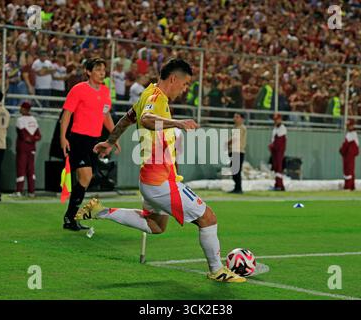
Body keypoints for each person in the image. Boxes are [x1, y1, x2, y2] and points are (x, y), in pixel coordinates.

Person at [77, 58, 246, 283]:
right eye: (184, 84)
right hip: (161, 182)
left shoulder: (148, 93)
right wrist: (177, 123)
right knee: (208, 218)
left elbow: (128, 119)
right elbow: (145, 120)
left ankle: (100, 211)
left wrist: (110, 141)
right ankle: (217, 270)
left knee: (155, 225)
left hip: (150, 179)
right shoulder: (156, 98)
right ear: (174, 79)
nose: (185, 90)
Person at [60, 57, 121, 231]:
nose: (102, 73)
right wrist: (63, 138)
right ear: (88, 72)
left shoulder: (104, 91)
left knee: (86, 180)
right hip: (78, 138)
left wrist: (114, 137)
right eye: (98, 69)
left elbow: (105, 116)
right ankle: (70, 218)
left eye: (104, 69)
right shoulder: (78, 89)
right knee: (85, 177)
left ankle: (70, 218)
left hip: (94, 141)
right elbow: (67, 115)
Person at [12, 102, 41, 197]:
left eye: (21, 107)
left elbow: (24, 136)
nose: (20, 109)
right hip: (32, 148)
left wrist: (30, 138)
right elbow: (38, 136)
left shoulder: (20, 120)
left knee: (21, 169)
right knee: (30, 170)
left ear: (24, 109)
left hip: (22, 148)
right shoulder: (34, 120)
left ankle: (19, 191)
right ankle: (31, 192)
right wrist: (33, 139)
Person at [227, 112, 247, 194]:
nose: (235, 118)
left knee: (236, 170)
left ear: (242, 119)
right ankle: (236, 187)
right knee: (234, 170)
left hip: (238, 151)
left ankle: (238, 188)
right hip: (233, 150)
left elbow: (235, 138)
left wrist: (227, 143)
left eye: (237, 117)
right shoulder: (235, 127)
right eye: (234, 116)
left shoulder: (241, 128)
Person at [339, 119, 360, 190]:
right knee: (350, 170)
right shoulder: (352, 134)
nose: (348, 127)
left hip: (349, 155)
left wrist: (341, 151)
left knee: (348, 170)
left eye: (349, 126)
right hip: (348, 155)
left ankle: (348, 186)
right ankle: (351, 186)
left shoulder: (352, 134)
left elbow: (345, 145)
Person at [269, 113, 286, 191]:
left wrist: (273, 146)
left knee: (279, 167)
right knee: (276, 167)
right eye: (274, 119)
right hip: (275, 151)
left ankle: (279, 185)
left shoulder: (282, 128)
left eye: (277, 119)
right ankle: (278, 184)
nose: (275, 121)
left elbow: (280, 141)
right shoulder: (275, 128)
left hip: (279, 151)